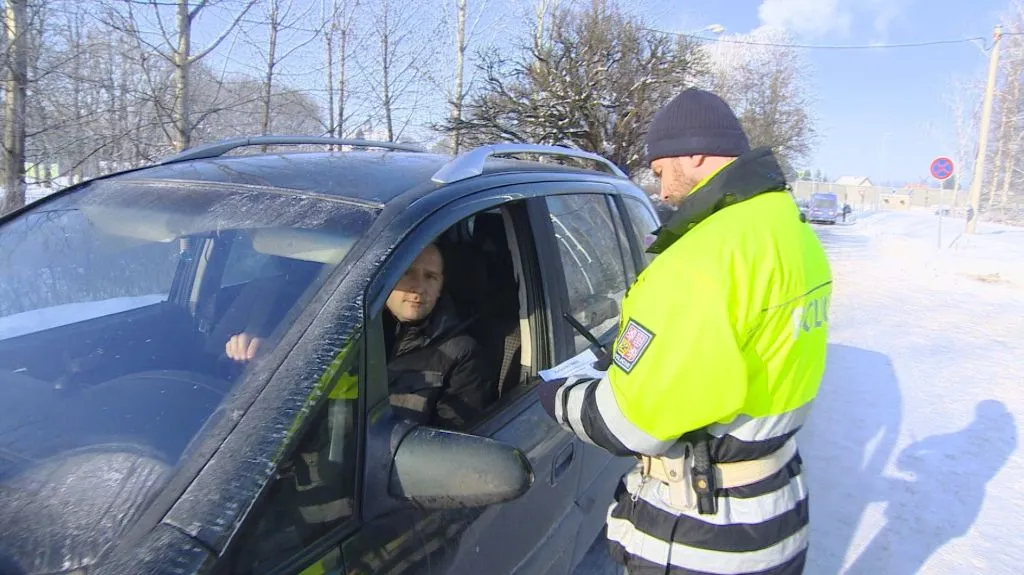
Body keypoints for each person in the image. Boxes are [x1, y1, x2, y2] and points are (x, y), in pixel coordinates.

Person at [537, 88, 831, 574]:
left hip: (704, 530)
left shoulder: (702, 258)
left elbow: (636, 425)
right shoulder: (790, 232)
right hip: (774, 506)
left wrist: (560, 397)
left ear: (694, 152)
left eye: (659, 172)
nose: (662, 193)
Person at [382, 242, 494, 430]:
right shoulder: (352, 333)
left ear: (440, 287)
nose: (419, 287)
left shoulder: (462, 354)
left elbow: (452, 443)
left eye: (430, 277)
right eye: (407, 272)